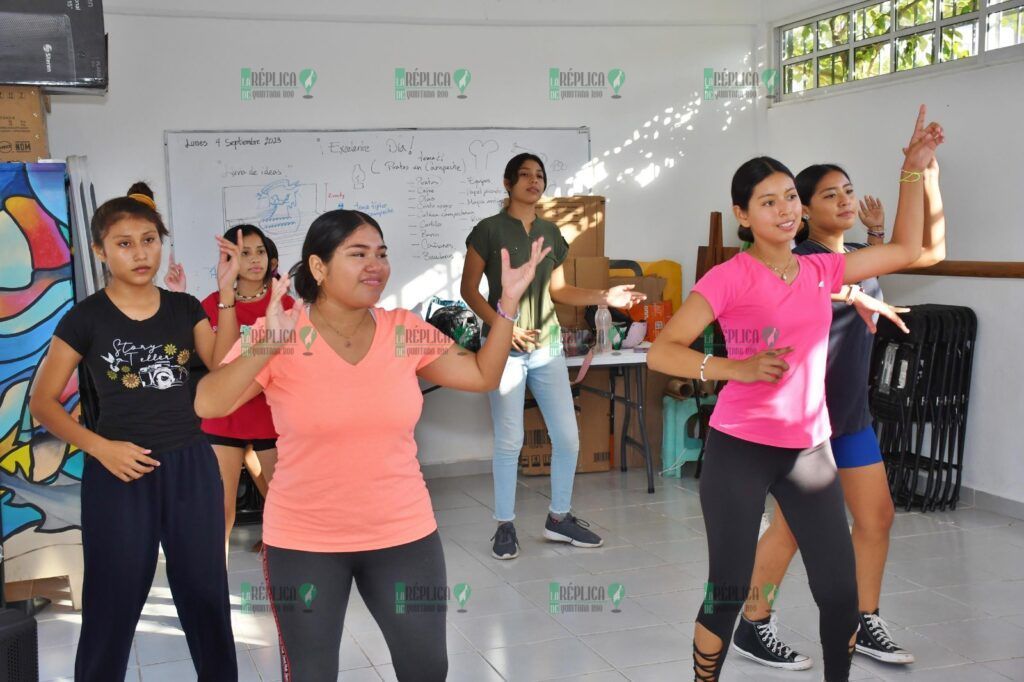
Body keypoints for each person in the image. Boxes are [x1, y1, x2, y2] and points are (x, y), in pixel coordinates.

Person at [647, 108, 943, 682]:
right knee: (729, 590)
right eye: (768, 201)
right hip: (739, 450)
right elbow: (664, 351)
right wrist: (735, 367)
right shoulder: (728, 278)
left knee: (838, 592)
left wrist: (914, 170)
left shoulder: (822, 271)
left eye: (789, 197)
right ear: (742, 214)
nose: (784, 210)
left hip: (811, 453)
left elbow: (908, 248)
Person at [195, 209, 549, 681]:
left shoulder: (401, 331)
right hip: (304, 539)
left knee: (426, 667)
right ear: (318, 268)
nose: (375, 266)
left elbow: (483, 374)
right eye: (357, 254)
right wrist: (268, 343)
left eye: (381, 254)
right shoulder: (282, 332)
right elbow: (209, 404)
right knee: (312, 673)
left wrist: (505, 305)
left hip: (402, 532)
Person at [734, 141, 945, 670]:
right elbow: (819, 289)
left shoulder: (852, 257)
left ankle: (863, 620)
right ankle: (751, 624)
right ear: (803, 210)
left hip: (850, 414)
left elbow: (926, 251)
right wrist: (854, 292)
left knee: (876, 518)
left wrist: (924, 176)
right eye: (829, 195)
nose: (845, 200)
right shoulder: (805, 259)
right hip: (805, 421)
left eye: (848, 190)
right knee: (790, 529)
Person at [28, 183, 238, 681]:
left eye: (149, 239)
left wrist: (225, 292)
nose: (141, 253)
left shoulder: (185, 308)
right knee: (113, 599)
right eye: (125, 243)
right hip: (117, 472)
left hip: (190, 465)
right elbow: (42, 402)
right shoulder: (86, 318)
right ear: (100, 251)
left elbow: (221, 363)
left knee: (206, 593)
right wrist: (101, 449)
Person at [460, 153, 645, 560]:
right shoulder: (488, 230)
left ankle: (558, 518)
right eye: (524, 175)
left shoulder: (549, 231)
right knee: (510, 440)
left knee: (567, 437)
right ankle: (504, 525)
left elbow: (559, 291)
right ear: (507, 183)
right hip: (504, 350)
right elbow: (469, 290)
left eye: (539, 175)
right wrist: (504, 324)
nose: (533, 181)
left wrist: (605, 295)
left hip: (547, 348)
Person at [199, 225, 294, 551]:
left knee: (283, 501)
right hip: (224, 415)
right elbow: (218, 368)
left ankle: (285, 559)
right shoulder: (212, 304)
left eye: (260, 252)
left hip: (271, 415)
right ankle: (214, 581)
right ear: (228, 260)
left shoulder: (286, 303)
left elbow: (291, 364)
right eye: (244, 253)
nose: (255, 260)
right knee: (218, 511)